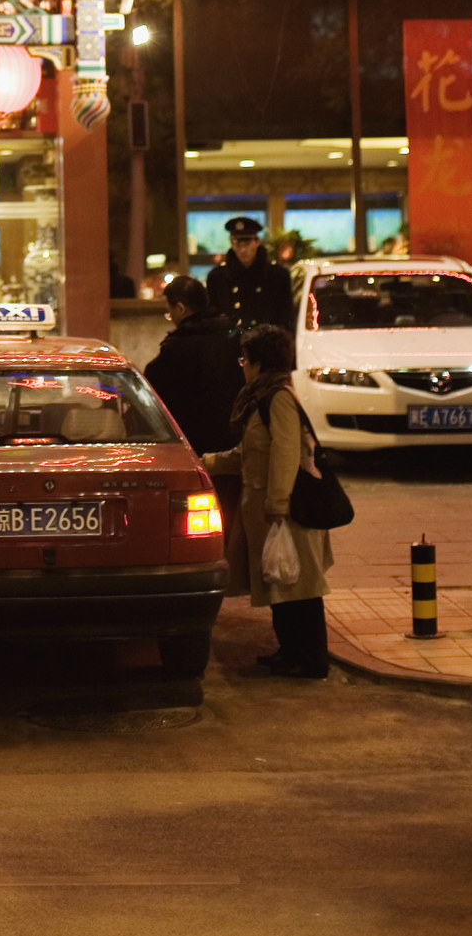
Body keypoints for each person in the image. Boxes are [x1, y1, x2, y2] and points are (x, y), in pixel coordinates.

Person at [202, 322, 333, 681]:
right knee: (279, 583)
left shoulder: (278, 398)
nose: (242, 365)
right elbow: (249, 453)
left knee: (300, 589)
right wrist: (207, 462)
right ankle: (289, 652)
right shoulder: (261, 398)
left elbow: (287, 452)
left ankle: (310, 659)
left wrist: (278, 504)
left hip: (287, 510)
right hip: (266, 509)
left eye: (245, 359)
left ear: (259, 362)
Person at [143, 274, 242, 453]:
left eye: (169, 311)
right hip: (232, 437)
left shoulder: (177, 346)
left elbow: (153, 386)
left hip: (193, 443)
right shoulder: (232, 337)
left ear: (181, 309)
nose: (170, 316)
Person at [207, 217, 295, 336]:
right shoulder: (217, 277)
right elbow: (213, 319)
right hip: (230, 346)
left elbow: (285, 318)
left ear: (256, 242)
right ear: (232, 244)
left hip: (266, 344)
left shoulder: (277, 276)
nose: (243, 250)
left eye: (247, 244)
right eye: (238, 244)